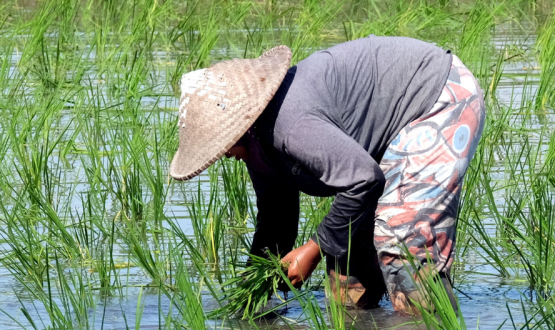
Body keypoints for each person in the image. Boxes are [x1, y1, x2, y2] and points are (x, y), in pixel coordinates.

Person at [169, 37, 485, 314]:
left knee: (401, 240)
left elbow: (363, 179)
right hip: (388, 133)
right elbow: (276, 218)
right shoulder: (258, 142)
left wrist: (313, 248)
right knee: (345, 273)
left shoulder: (290, 125)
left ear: (240, 125)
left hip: (437, 97)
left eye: (220, 144)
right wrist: (256, 288)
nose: (223, 154)